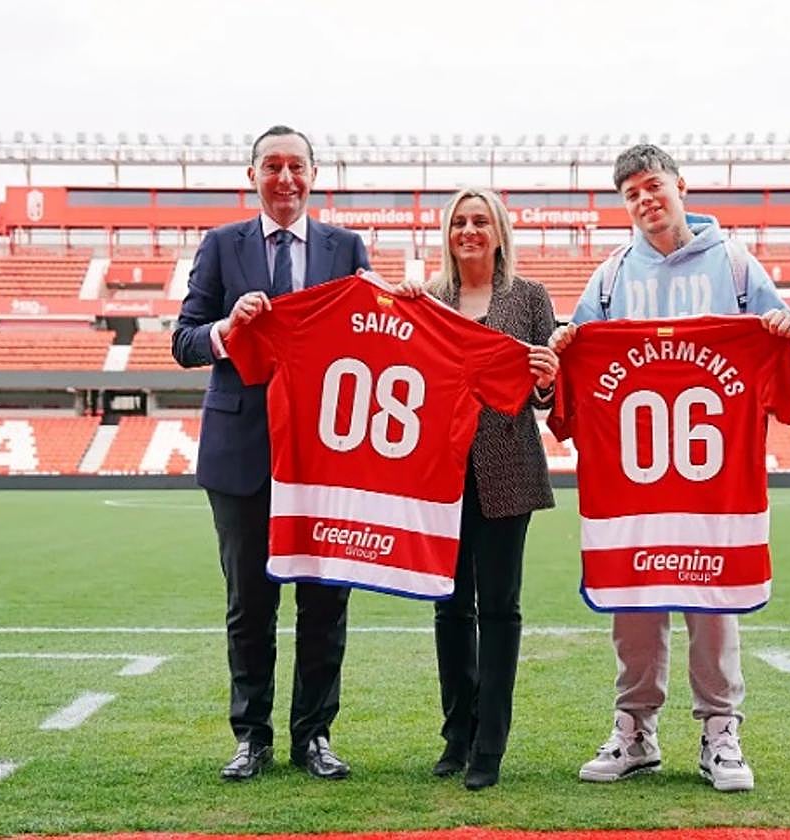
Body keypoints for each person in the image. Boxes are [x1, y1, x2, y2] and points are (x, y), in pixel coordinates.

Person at [549, 144, 790, 792]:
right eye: (631, 192)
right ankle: (634, 729)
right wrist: (562, 348)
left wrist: (785, 327)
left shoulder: (737, 265)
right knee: (633, 606)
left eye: (652, 185)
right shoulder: (609, 277)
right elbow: (575, 362)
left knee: (712, 603)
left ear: (680, 186)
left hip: (710, 478)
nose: (644, 199)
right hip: (633, 482)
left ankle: (721, 731)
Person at [171, 125, 370, 782]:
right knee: (249, 602)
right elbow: (183, 340)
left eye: (297, 166)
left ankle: (314, 735)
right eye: (272, 166)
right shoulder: (222, 245)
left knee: (325, 600)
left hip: (327, 453)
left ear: (315, 175)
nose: (285, 178)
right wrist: (227, 331)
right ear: (252, 176)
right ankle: (250, 737)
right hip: (242, 450)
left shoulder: (347, 248)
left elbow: (372, 338)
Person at [396, 188, 559, 790]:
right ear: (448, 233)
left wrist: (547, 378)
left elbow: (549, 395)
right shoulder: (431, 300)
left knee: (500, 608)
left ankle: (490, 743)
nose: (468, 230)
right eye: (459, 222)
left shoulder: (530, 297)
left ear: (498, 232)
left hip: (508, 467)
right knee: (449, 607)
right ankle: (456, 734)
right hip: (440, 470)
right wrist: (402, 304)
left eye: (479, 220)